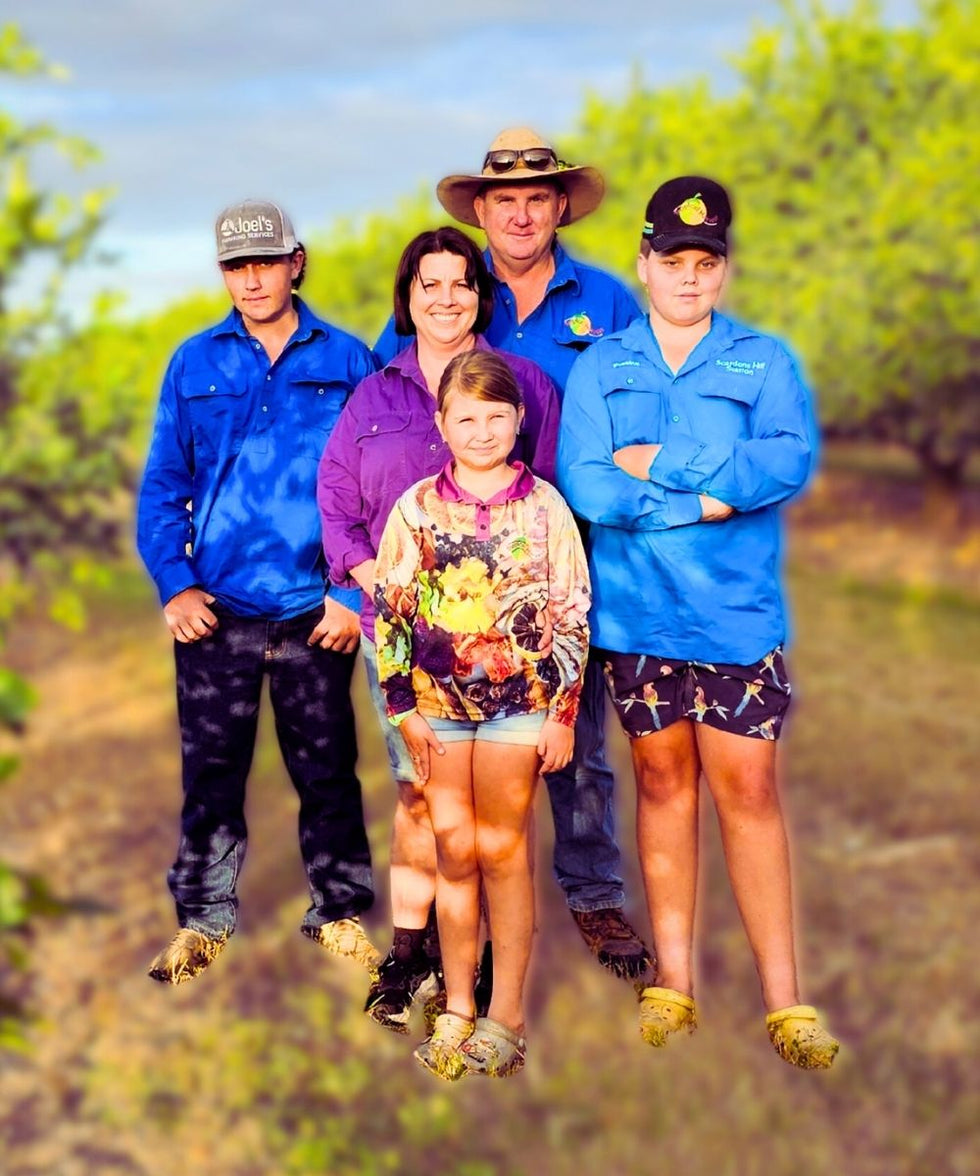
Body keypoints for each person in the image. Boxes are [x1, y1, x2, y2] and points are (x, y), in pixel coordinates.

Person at [557, 176, 840, 1069]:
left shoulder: (765, 361)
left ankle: (785, 1001)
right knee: (663, 786)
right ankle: (672, 983)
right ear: (643, 263)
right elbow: (589, 480)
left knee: (748, 793)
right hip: (638, 621)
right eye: (672, 260)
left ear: (723, 269)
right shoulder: (602, 365)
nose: (688, 277)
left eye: (705, 262)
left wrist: (667, 470)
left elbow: (785, 459)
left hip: (733, 619)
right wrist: (710, 495)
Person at [376, 127, 650, 979]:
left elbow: (637, 419)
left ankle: (594, 893)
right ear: (482, 211)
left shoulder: (606, 306)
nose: (522, 213)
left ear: (561, 205)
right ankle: (473, 925)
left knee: (577, 743)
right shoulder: (453, 296)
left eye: (538, 197)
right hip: (463, 578)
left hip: (572, 560)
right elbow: (398, 423)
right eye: (505, 201)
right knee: (463, 766)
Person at [317, 226, 560, 1029]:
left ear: (479, 293)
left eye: (461, 282)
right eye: (430, 284)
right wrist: (367, 578)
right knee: (418, 796)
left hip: (506, 655)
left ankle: (488, 966)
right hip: (406, 644)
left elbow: (552, 504)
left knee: (496, 822)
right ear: (409, 295)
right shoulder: (375, 393)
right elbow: (337, 492)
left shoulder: (521, 381)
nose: (446, 297)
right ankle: (412, 954)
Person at [137, 199, 379, 985]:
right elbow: (163, 486)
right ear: (224, 273)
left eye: (265, 262)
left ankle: (338, 911)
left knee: (328, 768)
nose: (252, 279)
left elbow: (372, 490)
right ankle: (204, 920)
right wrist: (176, 585)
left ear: (295, 262)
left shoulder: (347, 360)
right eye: (237, 266)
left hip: (317, 609)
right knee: (211, 770)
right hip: (219, 612)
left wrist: (352, 593)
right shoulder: (193, 362)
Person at [373, 350, 591, 1079]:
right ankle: (460, 1004)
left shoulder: (545, 506)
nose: (483, 430)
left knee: (502, 848)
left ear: (519, 420)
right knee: (455, 851)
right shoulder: (415, 508)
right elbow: (394, 610)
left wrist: (562, 713)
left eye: (497, 416)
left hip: (520, 709)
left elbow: (571, 611)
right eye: (467, 418)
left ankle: (508, 1014)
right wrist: (401, 705)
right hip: (436, 710)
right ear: (443, 424)